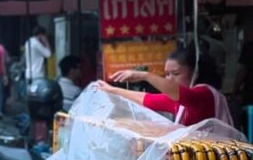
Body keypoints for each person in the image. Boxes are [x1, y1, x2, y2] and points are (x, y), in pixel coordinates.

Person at [96, 44, 234, 126]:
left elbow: (183, 94)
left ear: (195, 72)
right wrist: (112, 90)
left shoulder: (204, 94)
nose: (169, 79)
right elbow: (146, 99)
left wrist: (145, 75)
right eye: (167, 74)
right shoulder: (180, 102)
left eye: (175, 73)